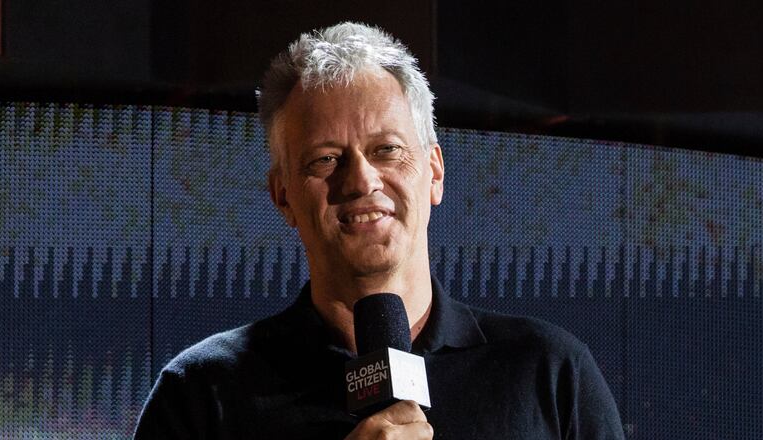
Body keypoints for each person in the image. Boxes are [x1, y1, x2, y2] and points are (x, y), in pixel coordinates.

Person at [134, 22, 625, 439]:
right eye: (326, 159)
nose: (362, 180)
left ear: (433, 172)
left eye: (386, 150)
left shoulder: (551, 372)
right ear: (283, 195)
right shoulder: (200, 393)